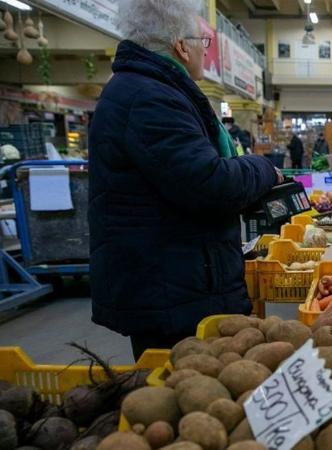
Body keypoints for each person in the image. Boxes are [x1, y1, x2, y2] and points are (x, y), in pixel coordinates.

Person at [89, 0, 284, 359]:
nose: (205, 53)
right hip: (173, 291)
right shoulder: (151, 99)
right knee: (189, 389)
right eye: (203, 43)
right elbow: (210, 184)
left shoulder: (146, 90)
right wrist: (263, 168)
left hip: (173, 281)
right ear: (181, 45)